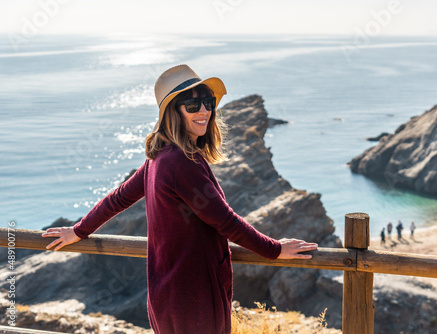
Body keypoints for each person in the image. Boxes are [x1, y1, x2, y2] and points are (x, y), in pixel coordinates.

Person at [42, 65, 318, 334]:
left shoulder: (159, 157)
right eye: (192, 104)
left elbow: (117, 198)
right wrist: (274, 249)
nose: (204, 111)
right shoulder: (181, 163)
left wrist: (79, 230)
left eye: (208, 102)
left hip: (167, 295)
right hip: (195, 300)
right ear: (172, 112)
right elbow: (226, 222)